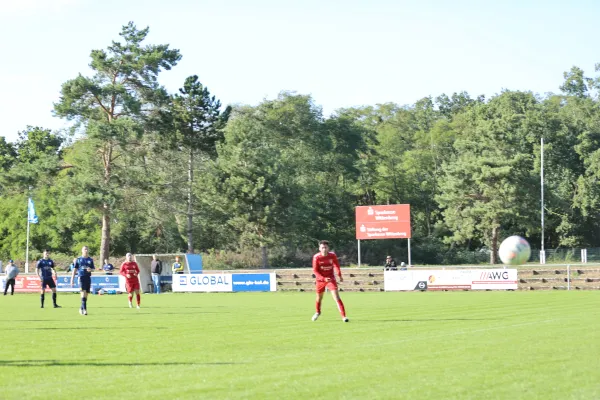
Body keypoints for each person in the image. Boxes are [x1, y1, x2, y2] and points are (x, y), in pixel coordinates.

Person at [311, 240, 348, 322]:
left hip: (331, 278)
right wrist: (323, 279)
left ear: (328, 248)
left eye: (325, 247)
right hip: (320, 280)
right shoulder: (316, 257)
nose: (324, 249)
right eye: (322, 247)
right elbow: (315, 271)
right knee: (319, 298)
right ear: (319, 248)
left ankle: (344, 317)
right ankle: (317, 312)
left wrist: (339, 275)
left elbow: (336, 265)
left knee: (336, 297)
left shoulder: (332, 255)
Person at [71, 246, 95, 316]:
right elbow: (74, 270)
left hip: (88, 278)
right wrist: (72, 280)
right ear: (82, 251)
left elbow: (93, 269)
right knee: (83, 293)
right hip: (81, 278)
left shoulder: (90, 260)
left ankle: (81, 308)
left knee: (86, 295)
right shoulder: (78, 259)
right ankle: (85, 310)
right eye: (85, 249)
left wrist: (91, 270)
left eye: (87, 249)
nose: (86, 250)